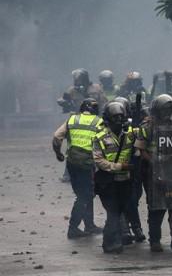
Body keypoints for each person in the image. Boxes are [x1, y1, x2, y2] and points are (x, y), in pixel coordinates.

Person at [135, 94, 172, 252]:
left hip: (171, 171)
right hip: (152, 172)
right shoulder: (147, 126)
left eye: (170, 110)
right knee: (156, 207)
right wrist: (153, 161)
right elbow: (140, 149)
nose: (168, 114)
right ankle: (155, 241)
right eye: (165, 110)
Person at [52, 98, 104, 239]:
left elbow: (57, 137)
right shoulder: (99, 122)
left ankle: (89, 225)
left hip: (72, 164)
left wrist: (59, 154)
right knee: (85, 196)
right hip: (87, 164)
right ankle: (73, 228)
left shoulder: (72, 119)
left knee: (86, 193)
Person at [92, 101, 136, 253]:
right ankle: (113, 242)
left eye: (120, 117)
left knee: (120, 210)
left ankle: (109, 242)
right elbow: (99, 161)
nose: (118, 121)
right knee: (113, 212)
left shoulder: (130, 133)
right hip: (108, 182)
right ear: (108, 119)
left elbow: (143, 136)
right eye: (115, 118)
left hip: (125, 181)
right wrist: (119, 167)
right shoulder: (100, 137)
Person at [112, 96, 147, 244]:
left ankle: (135, 229)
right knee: (122, 200)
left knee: (132, 200)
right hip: (116, 168)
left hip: (132, 168)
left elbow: (140, 143)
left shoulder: (134, 126)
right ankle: (126, 229)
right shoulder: (107, 128)